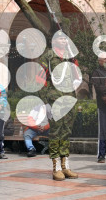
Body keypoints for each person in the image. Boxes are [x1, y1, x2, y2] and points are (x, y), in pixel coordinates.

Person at [39, 31, 81, 181]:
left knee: (66, 131)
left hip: (69, 98)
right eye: (61, 38)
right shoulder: (48, 56)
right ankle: (56, 166)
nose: (64, 41)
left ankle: (66, 165)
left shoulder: (70, 56)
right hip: (54, 99)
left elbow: (76, 75)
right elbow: (40, 79)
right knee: (56, 132)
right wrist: (45, 103)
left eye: (65, 38)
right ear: (55, 40)